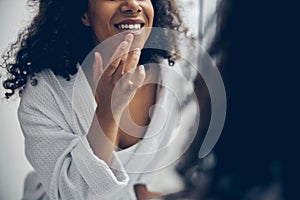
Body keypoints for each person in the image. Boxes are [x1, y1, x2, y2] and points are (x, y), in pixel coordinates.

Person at [1, 0, 198, 199]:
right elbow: (73, 194)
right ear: (83, 13)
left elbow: (149, 177)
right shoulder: (44, 90)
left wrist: (144, 191)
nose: (132, 5)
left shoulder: (171, 77)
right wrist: (107, 110)